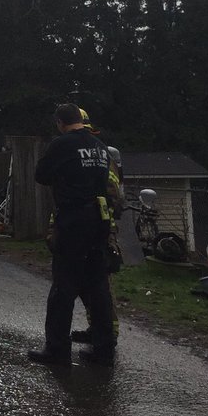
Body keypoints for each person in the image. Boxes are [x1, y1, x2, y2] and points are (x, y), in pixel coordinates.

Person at [30, 102, 115, 367]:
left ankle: (57, 350)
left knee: (63, 287)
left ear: (60, 123)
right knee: (98, 287)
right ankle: (104, 350)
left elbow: (41, 175)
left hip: (74, 221)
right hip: (100, 220)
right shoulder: (100, 147)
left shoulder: (62, 144)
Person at [70, 108, 124, 346]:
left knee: (101, 284)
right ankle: (96, 328)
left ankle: (108, 333)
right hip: (85, 225)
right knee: (85, 283)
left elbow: (112, 194)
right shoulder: (84, 153)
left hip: (101, 228)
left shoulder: (102, 156)